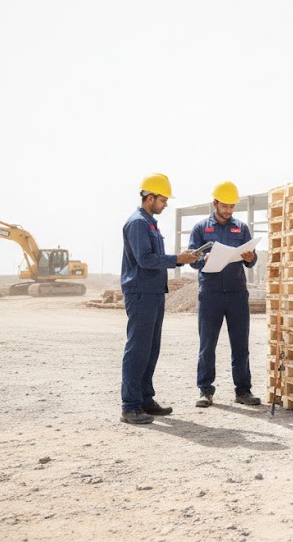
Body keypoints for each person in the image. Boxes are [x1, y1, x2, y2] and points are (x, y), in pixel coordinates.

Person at [119, 173, 197, 425]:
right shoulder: (138, 223)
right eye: (163, 199)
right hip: (141, 292)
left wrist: (179, 258)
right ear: (149, 197)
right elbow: (145, 259)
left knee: (151, 348)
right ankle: (130, 406)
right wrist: (178, 259)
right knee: (138, 348)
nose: (165, 204)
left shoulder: (149, 223)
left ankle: (144, 399)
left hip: (153, 291)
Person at [189, 180, 260, 407]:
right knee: (207, 345)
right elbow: (192, 259)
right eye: (225, 206)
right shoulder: (200, 229)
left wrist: (251, 258)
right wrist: (203, 259)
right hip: (210, 294)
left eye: (232, 206)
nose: (229, 211)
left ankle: (243, 391)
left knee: (240, 345)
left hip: (237, 294)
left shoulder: (241, 228)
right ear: (215, 203)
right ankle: (205, 391)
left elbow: (252, 259)